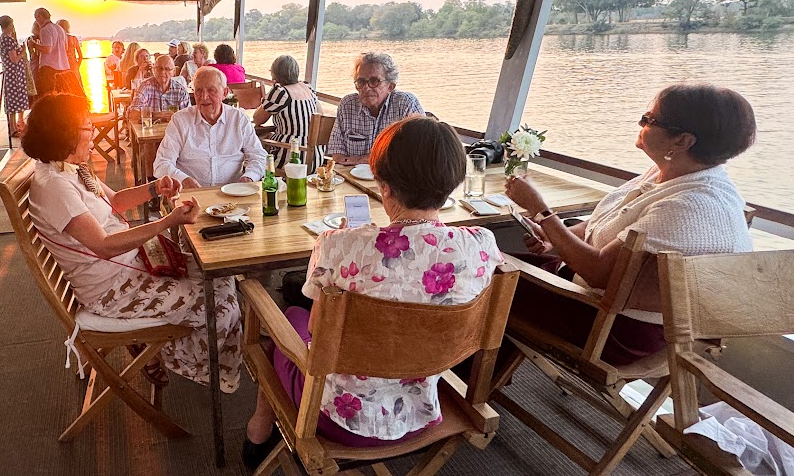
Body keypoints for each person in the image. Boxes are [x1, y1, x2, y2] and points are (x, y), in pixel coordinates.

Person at [243, 116, 500, 463]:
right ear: (453, 182)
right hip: (422, 409)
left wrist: (357, 240)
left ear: (386, 186)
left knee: (291, 316)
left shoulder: (339, 246)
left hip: (338, 418)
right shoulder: (482, 245)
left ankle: (260, 426)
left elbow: (318, 332)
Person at [504, 82, 757, 365]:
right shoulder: (674, 174)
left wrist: (541, 211)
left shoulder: (688, 207)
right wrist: (552, 235)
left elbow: (597, 273)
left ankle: (466, 391)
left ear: (682, 141)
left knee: (475, 277)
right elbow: (608, 223)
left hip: (613, 327)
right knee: (490, 260)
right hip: (596, 298)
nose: (641, 123)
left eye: (649, 120)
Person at [24, 92, 242, 392]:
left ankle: (163, 349)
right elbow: (103, 245)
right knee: (222, 305)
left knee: (222, 274)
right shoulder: (55, 186)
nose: (92, 134)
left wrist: (155, 187)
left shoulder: (70, 169)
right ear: (66, 133)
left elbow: (114, 202)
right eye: (87, 127)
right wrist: (168, 221)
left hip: (131, 266)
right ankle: (174, 357)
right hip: (113, 290)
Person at [154, 67, 267, 189]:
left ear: (224, 93)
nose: (204, 97)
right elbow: (161, 164)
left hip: (234, 194)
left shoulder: (239, 119)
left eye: (211, 90)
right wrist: (184, 180)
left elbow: (258, 156)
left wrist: (249, 177)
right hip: (192, 196)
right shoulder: (180, 121)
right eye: (198, 91)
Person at [327, 52, 424, 166]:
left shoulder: (406, 104)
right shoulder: (347, 105)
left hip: (393, 180)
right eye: (361, 82)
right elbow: (337, 153)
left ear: (390, 86)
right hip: (351, 177)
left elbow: (415, 153)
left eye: (374, 81)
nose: (366, 88)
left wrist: (361, 160)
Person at [254, 55, 323, 168]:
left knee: (254, 143)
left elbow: (257, 119)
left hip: (291, 155)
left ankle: (258, 176)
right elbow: (320, 116)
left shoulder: (281, 93)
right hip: (315, 156)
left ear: (274, 74)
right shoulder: (308, 88)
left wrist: (267, 97)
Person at [127, 54, 190, 122]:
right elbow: (132, 113)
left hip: (173, 131)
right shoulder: (145, 86)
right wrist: (156, 115)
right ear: (154, 70)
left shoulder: (180, 91)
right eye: (159, 68)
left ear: (173, 72)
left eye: (167, 69)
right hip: (148, 131)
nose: (162, 72)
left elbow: (188, 117)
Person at [0, 15, 29, 137]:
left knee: (12, 102)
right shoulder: (8, 40)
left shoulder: (2, 39)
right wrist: (23, 51)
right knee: (15, 101)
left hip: (10, 74)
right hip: (14, 75)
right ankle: (13, 128)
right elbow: (14, 59)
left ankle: (14, 127)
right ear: (10, 24)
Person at [30, 8, 70, 96]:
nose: (36, 21)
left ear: (40, 17)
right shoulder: (60, 29)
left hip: (49, 68)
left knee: (48, 95)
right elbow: (66, 48)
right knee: (60, 95)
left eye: (36, 18)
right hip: (63, 66)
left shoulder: (45, 30)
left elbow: (47, 49)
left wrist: (34, 45)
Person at [56, 18, 84, 85]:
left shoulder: (58, 39)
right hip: (73, 65)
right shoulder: (73, 39)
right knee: (76, 86)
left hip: (62, 65)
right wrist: (77, 65)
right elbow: (80, 56)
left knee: (65, 86)